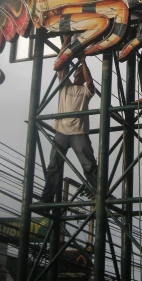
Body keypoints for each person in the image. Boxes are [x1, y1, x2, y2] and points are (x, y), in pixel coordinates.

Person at [41, 43, 97, 205]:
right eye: (76, 73)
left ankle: (97, 191)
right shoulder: (65, 87)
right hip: (62, 132)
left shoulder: (85, 91)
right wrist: (65, 48)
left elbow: (90, 82)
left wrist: (83, 63)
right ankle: (48, 198)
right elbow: (61, 67)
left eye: (79, 73)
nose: (76, 75)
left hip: (78, 132)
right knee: (54, 166)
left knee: (89, 164)